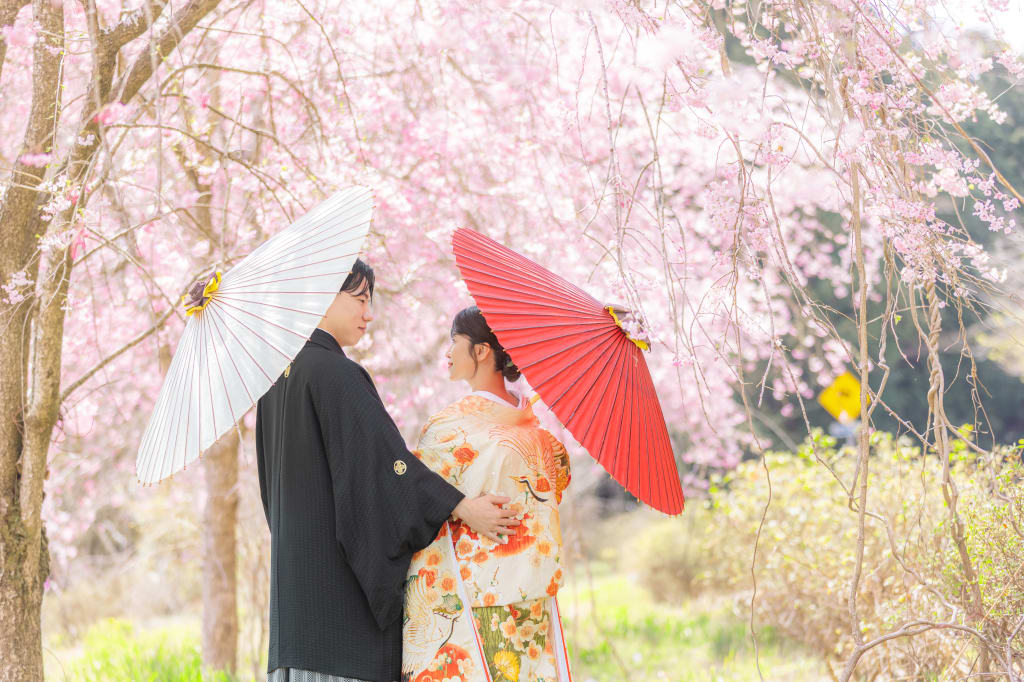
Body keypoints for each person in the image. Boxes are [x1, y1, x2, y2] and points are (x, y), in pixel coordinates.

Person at [255, 261, 519, 682]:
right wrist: (462, 506)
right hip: (339, 616)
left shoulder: (273, 382)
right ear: (324, 295)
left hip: (294, 612)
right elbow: (384, 468)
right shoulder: (336, 374)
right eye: (359, 299)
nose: (368, 313)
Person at [401, 306, 573, 682]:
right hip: (533, 589)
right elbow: (557, 485)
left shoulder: (448, 427)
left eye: (454, 342)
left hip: (475, 591)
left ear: (481, 351)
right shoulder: (540, 428)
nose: (447, 353)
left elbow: (415, 499)